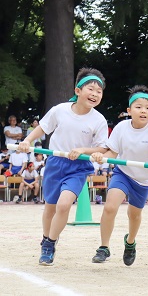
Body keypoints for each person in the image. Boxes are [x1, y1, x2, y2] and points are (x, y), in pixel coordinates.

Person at [18, 68, 108, 266]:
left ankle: (49, 244)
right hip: (55, 163)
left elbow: (101, 147)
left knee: (64, 205)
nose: (95, 94)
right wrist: (27, 140)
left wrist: (83, 150)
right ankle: (46, 237)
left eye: (99, 91)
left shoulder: (99, 120)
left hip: (78, 166)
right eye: (90, 89)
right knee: (50, 208)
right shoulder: (60, 110)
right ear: (78, 90)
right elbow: (43, 127)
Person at [90, 85, 148, 266]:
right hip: (123, 173)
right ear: (129, 110)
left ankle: (130, 242)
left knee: (134, 215)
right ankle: (104, 247)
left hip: (143, 180)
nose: (143, 111)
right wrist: (102, 157)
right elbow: (112, 153)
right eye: (138, 107)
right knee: (110, 207)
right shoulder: (121, 127)